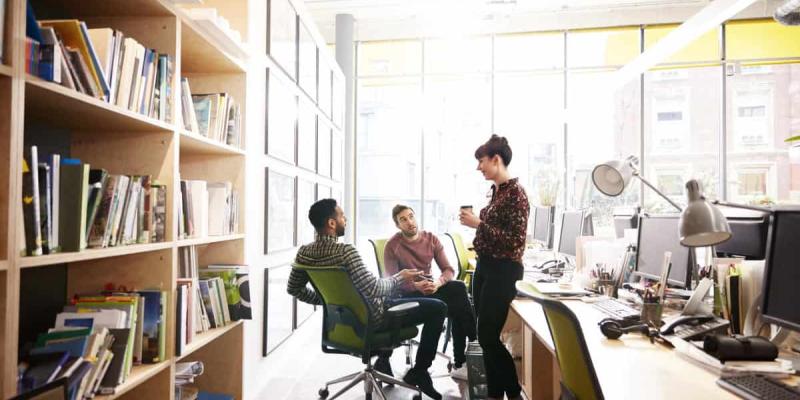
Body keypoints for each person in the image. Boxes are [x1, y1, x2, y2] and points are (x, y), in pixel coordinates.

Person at [287, 199, 446, 400]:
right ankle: (420, 372)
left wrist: (329, 302)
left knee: (409, 302)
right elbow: (374, 288)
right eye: (341, 215)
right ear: (332, 223)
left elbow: (293, 288)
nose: (345, 218)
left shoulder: (304, 253)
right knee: (438, 308)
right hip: (375, 319)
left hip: (340, 324)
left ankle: (383, 361)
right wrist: (401, 277)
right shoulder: (345, 252)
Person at [459, 135, 528, 400]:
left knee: (488, 337)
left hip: (503, 270)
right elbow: (496, 230)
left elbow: (514, 241)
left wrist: (479, 224)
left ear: (496, 160)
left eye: (482, 161)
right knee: (484, 336)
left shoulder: (516, 194)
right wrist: (479, 226)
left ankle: (513, 393)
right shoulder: (498, 191)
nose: (479, 167)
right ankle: (494, 394)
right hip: (486, 267)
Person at [382, 204, 477, 381]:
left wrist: (438, 283)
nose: (410, 222)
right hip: (407, 295)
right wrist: (416, 287)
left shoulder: (431, 239)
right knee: (457, 303)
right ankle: (467, 354)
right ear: (397, 225)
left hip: (430, 289)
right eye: (403, 219)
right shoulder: (392, 246)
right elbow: (391, 284)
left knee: (458, 289)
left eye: (411, 216)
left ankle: (467, 352)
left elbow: (448, 269)